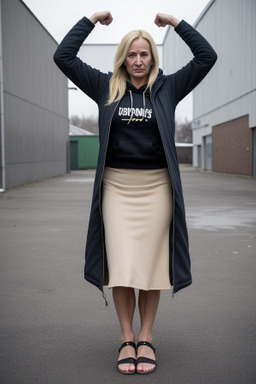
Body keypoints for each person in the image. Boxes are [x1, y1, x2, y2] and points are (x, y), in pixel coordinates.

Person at [54, 11, 217, 375]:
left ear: (153, 58)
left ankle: (146, 336)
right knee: (124, 267)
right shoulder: (104, 86)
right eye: (132, 54)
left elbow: (207, 56)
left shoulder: (168, 88)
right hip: (116, 188)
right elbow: (63, 56)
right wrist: (91, 19)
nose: (138, 61)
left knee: (149, 267)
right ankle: (126, 338)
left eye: (145, 54)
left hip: (156, 188)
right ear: (123, 57)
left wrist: (176, 24)